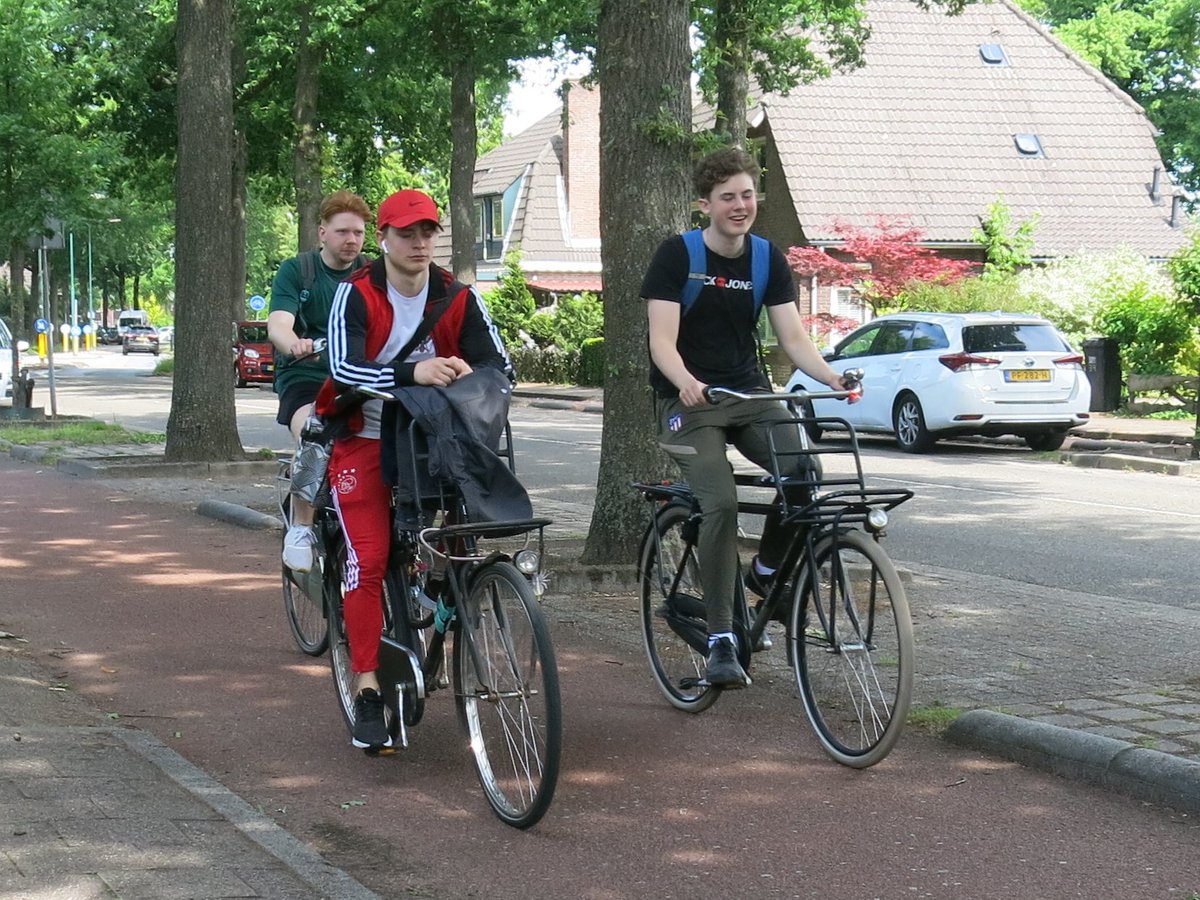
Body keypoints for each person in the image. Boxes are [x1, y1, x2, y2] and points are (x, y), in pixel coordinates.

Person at [641, 146, 853, 689]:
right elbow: (661, 341)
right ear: (705, 204)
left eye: (747, 195)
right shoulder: (678, 256)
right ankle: (721, 639)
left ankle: (766, 573)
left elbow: (793, 338)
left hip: (748, 392)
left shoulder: (766, 258)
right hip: (688, 403)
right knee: (721, 501)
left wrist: (831, 377)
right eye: (727, 197)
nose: (740, 205)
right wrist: (685, 381)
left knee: (803, 472)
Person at [316, 189, 511, 751]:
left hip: (434, 438)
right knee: (370, 557)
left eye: (427, 232)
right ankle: (367, 687)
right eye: (406, 233)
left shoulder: (457, 295)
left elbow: (501, 365)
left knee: (465, 535)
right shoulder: (357, 293)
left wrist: (471, 376)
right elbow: (343, 368)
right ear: (383, 239)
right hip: (365, 437)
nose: (419, 243)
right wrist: (413, 373)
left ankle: (437, 596)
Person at [268, 190, 371, 572]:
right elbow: (279, 323)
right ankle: (301, 527)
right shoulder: (298, 271)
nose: (351, 240)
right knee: (315, 431)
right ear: (323, 233)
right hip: (307, 376)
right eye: (343, 232)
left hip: (358, 375)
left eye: (358, 233)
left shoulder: (371, 274)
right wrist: (294, 343)